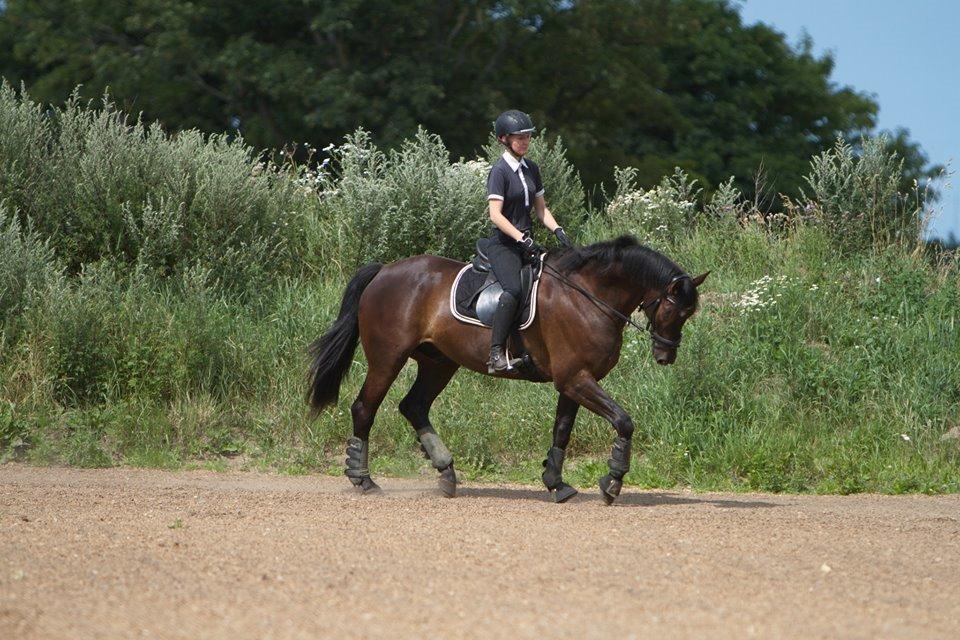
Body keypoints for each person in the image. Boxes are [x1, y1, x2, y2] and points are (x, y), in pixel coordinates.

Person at [485, 109, 572, 373]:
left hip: (526, 243)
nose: (525, 141)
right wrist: (522, 238)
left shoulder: (531, 168)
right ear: (504, 139)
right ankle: (496, 354)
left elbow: (541, 209)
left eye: (527, 137)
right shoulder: (499, 171)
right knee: (513, 290)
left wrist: (558, 230)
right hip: (504, 245)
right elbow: (495, 216)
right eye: (519, 137)